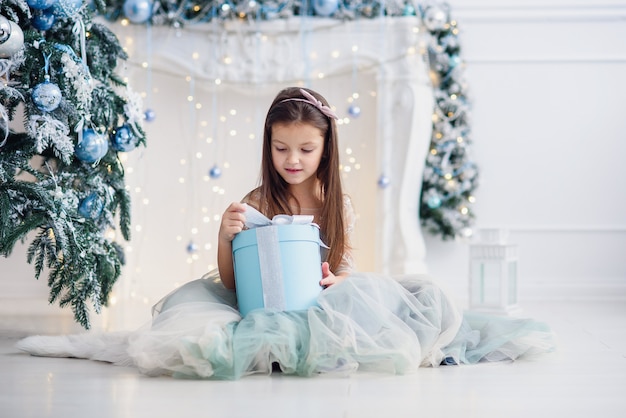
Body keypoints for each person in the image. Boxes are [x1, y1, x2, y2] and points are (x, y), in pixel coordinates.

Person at [16, 87, 555, 379]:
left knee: (409, 299)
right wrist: (224, 237)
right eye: (280, 149)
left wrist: (336, 282)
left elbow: (338, 267)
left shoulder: (332, 201)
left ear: (325, 150)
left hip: (316, 302)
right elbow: (229, 284)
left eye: (305, 149)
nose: (291, 160)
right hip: (262, 303)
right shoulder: (257, 201)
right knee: (206, 334)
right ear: (268, 147)